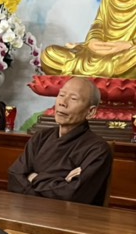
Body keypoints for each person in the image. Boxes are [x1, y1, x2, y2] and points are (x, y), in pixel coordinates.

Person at [8, 76, 112, 205]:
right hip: (28, 210)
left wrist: (33, 177)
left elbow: (72, 195)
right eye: (61, 95)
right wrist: (60, 183)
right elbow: (14, 177)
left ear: (90, 112)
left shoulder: (97, 149)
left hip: (69, 216)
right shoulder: (41, 137)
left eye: (73, 98)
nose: (63, 103)